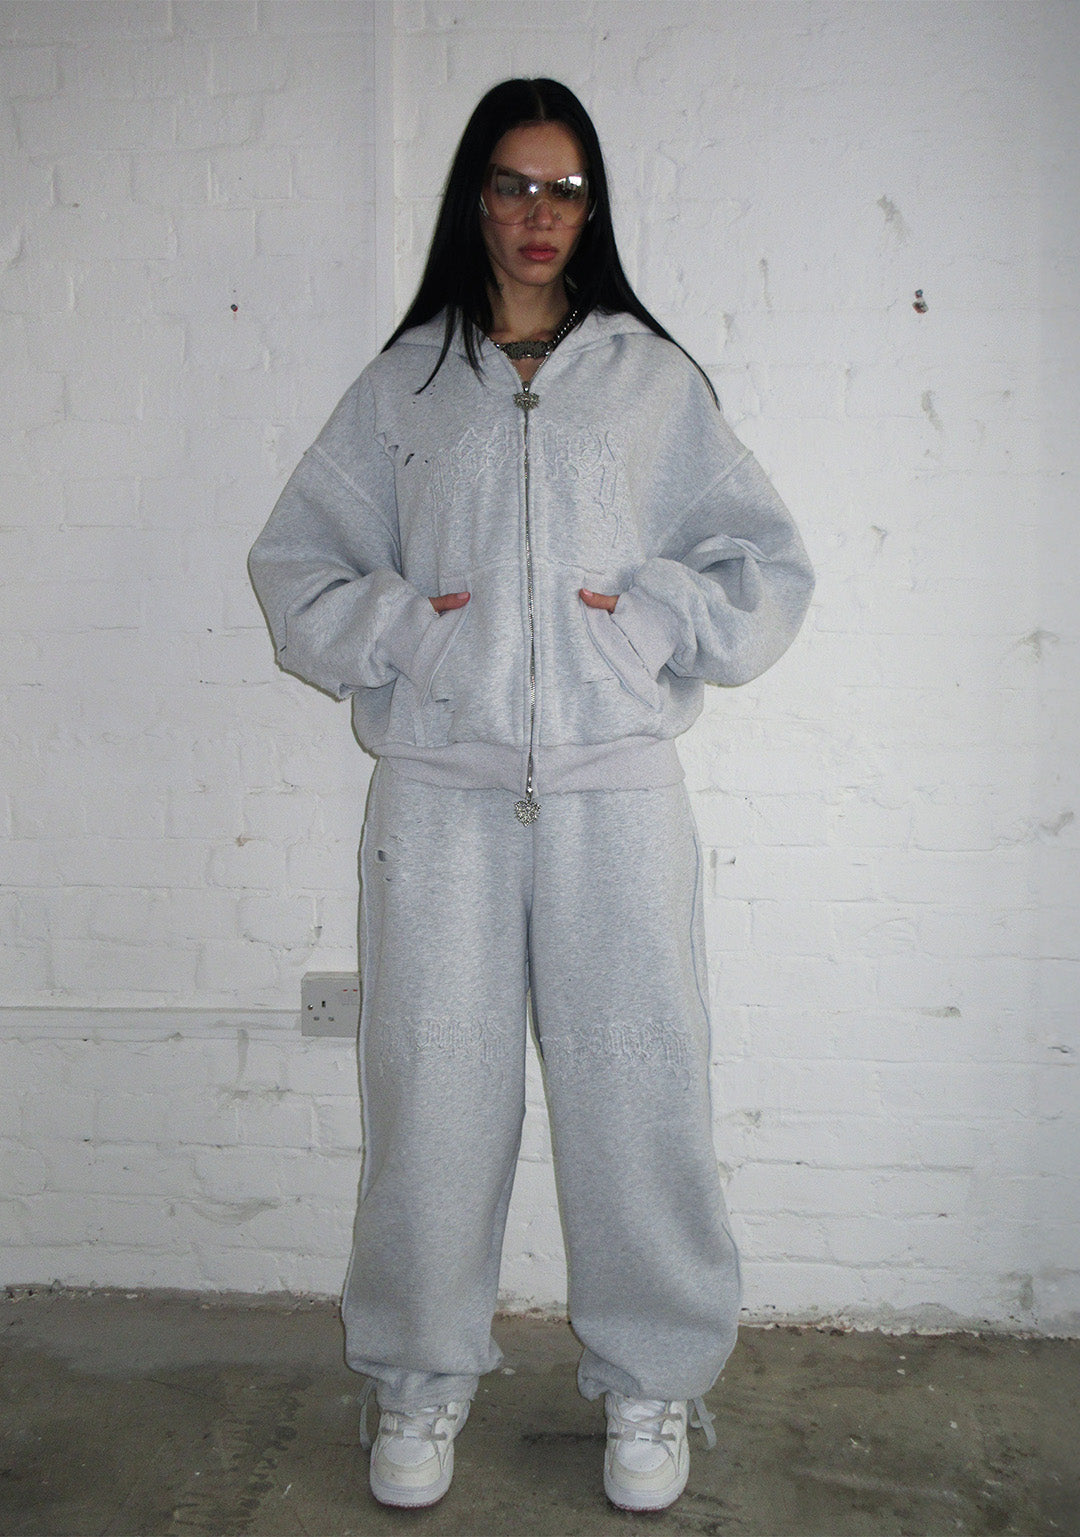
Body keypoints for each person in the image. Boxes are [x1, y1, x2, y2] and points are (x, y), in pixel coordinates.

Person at [249, 77, 813, 1514]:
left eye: (564, 188)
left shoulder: (650, 382)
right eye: (513, 184)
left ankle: (651, 1384)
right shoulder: (405, 387)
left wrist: (655, 614)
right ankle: (417, 1376)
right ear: (476, 199)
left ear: (592, 204)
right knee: (431, 1097)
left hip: (616, 799)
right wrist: (406, 628)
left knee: (643, 1091)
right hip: (439, 802)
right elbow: (295, 570)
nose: (538, 214)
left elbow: (766, 566)